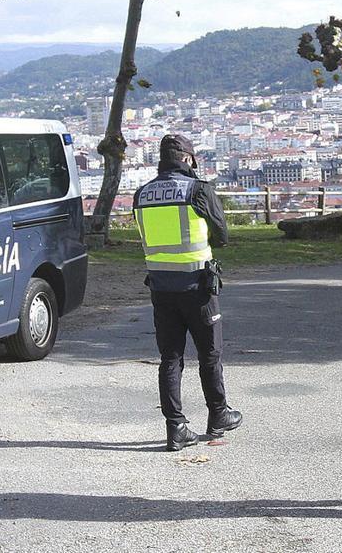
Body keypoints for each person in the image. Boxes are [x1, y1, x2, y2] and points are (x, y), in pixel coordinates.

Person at [132, 134, 241, 452]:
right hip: (197, 287)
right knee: (210, 355)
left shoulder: (143, 194)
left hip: (161, 287)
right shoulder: (197, 189)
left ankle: (176, 427)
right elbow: (222, 236)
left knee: (170, 358)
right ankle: (218, 415)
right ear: (189, 159)